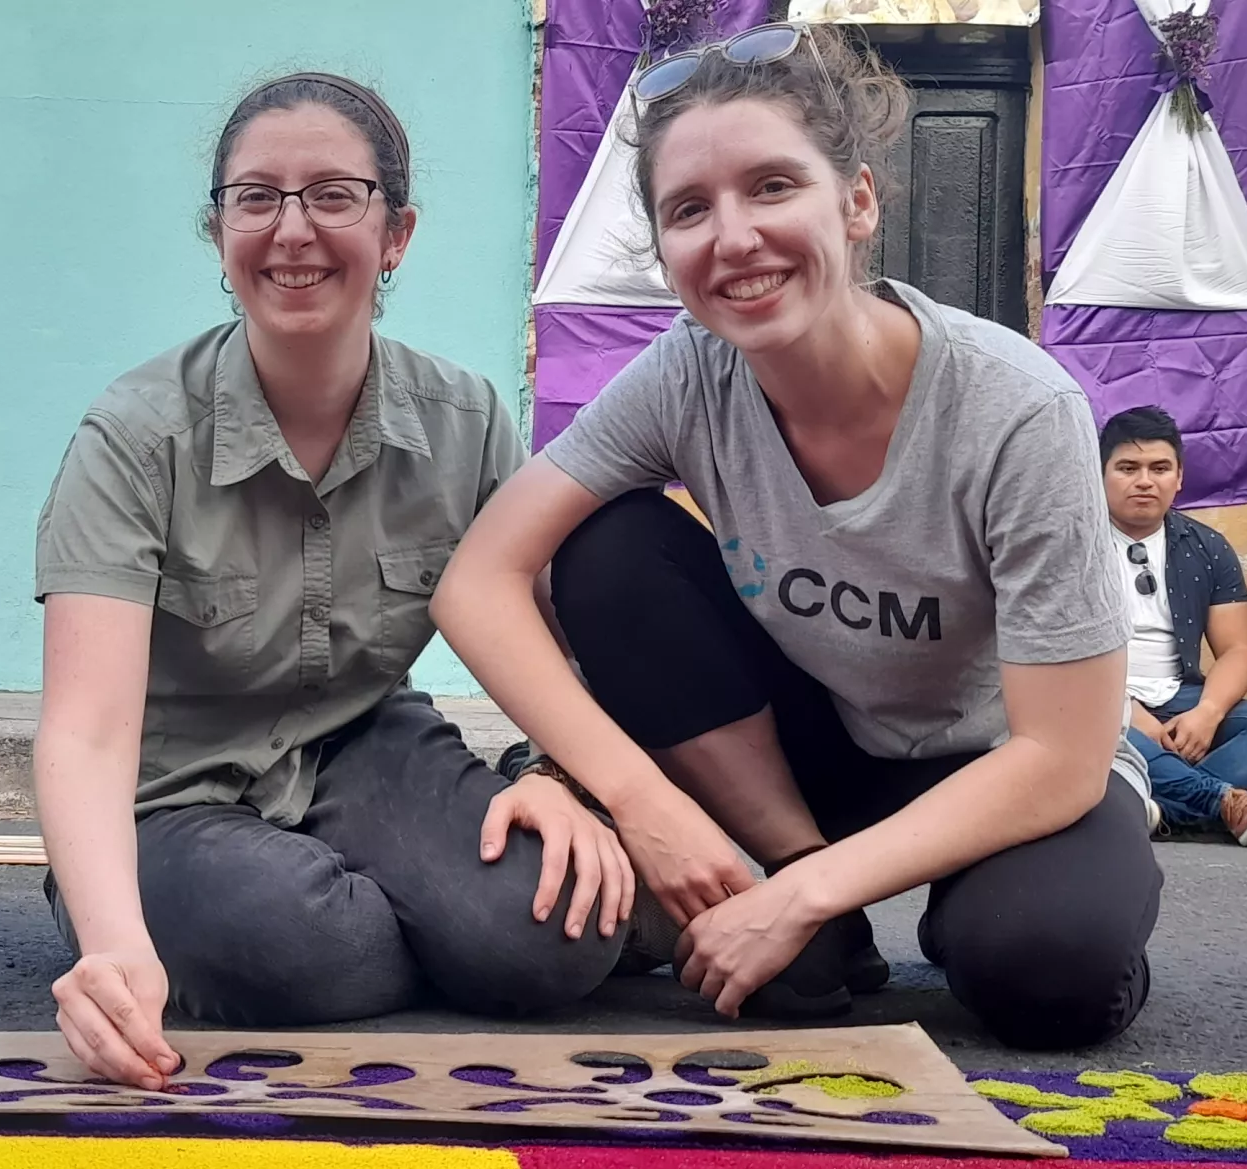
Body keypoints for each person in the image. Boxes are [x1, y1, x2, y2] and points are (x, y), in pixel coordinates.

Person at [429, 25, 1160, 1051]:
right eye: (690, 210)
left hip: (1004, 765)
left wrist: (792, 897)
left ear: (856, 202)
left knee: (1048, 969)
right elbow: (480, 581)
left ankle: (915, 901)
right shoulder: (688, 374)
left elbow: (1061, 756)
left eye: (773, 187)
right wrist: (647, 805)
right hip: (810, 762)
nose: (732, 238)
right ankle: (826, 915)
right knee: (609, 543)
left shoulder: (1019, 409)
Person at [31, 71, 629, 1090]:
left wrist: (553, 779)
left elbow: (544, 636)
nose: (292, 230)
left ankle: (433, 923)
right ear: (218, 233)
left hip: (366, 744)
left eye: (333, 195)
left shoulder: (465, 418)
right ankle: (355, 928)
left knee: (548, 937)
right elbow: (86, 731)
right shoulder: (134, 438)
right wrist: (116, 944)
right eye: (256, 197)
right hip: (171, 797)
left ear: (395, 233)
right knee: (307, 949)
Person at [1098, 406, 1247, 846]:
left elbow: (1237, 650)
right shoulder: (1070, 542)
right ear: (1099, 474)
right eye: (1127, 468)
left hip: (1180, 696)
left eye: (1159, 468)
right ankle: (1220, 802)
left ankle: (1154, 807)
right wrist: (1128, 713)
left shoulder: (1206, 546)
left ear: (1179, 477)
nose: (1144, 480)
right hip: (1095, 695)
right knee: (1087, 723)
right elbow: (1060, 653)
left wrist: (1207, 714)